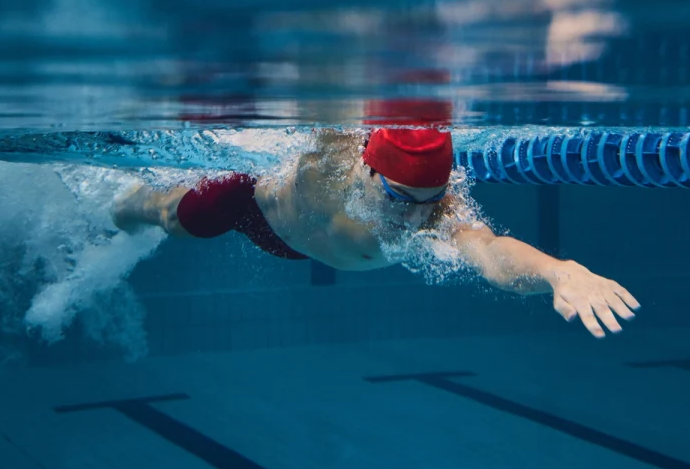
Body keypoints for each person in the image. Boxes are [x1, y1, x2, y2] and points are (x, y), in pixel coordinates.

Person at [112, 110, 639, 338]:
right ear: (368, 168)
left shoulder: (436, 212)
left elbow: (490, 250)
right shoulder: (332, 159)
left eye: (427, 201)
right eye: (399, 195)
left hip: (297, 246)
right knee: (164, 216)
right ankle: (108, 206)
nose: (412, 214)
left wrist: (557, 272)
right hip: (254, 204)